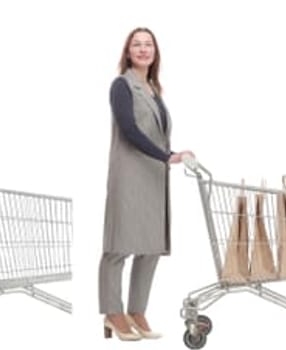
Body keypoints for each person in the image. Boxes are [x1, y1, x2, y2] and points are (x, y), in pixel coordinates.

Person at [100, 27, 192, 343]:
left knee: (151, 245)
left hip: (153, 174)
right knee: (119, 245)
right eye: (136, 45)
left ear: (155, 52)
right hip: (130, 173)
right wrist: (168, 156)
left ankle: (136, 311)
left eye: (148, 45)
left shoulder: (153, 89)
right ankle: (113, 313)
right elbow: (130, 130)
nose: (142, 49)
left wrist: (171, 156)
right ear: (127, 52)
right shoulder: (121, 86)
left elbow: (157, 131)